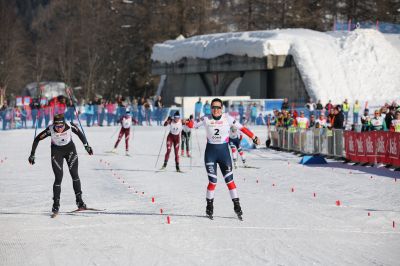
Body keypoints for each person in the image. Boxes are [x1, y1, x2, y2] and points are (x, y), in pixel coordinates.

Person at [194, 98, 260, 220]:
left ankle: (237, 205)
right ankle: (209, 206)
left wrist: (253, 136)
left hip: (224, 154)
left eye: (218, 107)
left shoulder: (228, 118)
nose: (216, 110)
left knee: (229, 181)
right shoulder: (206, 118)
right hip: (210, 154)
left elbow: (242, 128)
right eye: (213, 107)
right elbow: (192, 125)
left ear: (222, 109)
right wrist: (185, 122)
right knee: (213, 181)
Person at [28, 113, 93, 216]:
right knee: (58, 178)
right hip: (56, 152)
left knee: (74, 174)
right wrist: (32, 154)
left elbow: (80, 134)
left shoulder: (70, 126)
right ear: (54, 125)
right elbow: (37, 139)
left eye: (61, 126)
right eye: (57, 126)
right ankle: (56, 206)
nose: (59, 129)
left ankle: (80, 202)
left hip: (70, 150)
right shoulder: (50, 129)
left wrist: (86, 146)